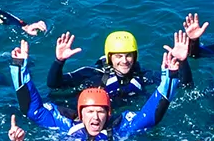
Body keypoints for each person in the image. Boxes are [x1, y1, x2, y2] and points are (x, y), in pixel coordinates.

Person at [11, 39, 183, 141]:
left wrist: (171, 76)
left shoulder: (120, 128)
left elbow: (151, 117)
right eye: (90, 112)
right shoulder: (67, 125)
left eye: (101, 111)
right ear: (80, 114)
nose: (95, 117)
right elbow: (33, 110)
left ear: (108, 113)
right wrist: (19, 66)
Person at [48, 30, 194, 102]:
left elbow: (185, 86)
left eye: (128, 55)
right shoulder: (93, 74)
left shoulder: (143, 76)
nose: (124, 61)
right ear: (109, 57)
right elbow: (54, 85)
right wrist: (59, 61)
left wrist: (183, 61)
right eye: (118, 56)